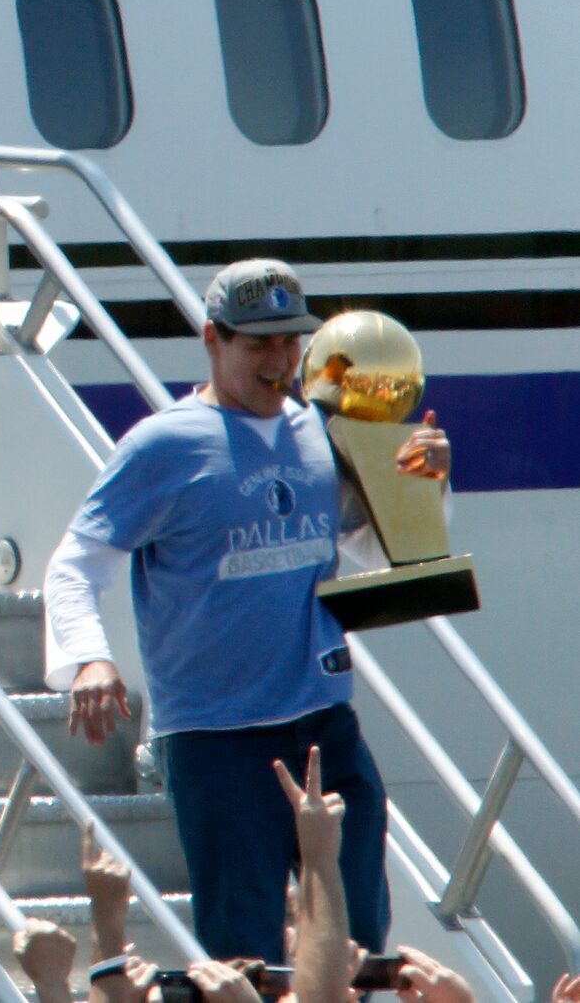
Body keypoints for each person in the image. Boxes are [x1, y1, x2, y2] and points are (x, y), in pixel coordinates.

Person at [44, 258, 453, 961]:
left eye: (292, 342)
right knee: (245, 953)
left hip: (325, 723)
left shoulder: (321, 432)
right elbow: (74, 565)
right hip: (216, 739)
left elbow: (386, 560)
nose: (281, 360)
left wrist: (426, 489)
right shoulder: (162, 445)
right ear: (212, 339)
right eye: (259, 343)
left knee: (355, 942)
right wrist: (90, 658)